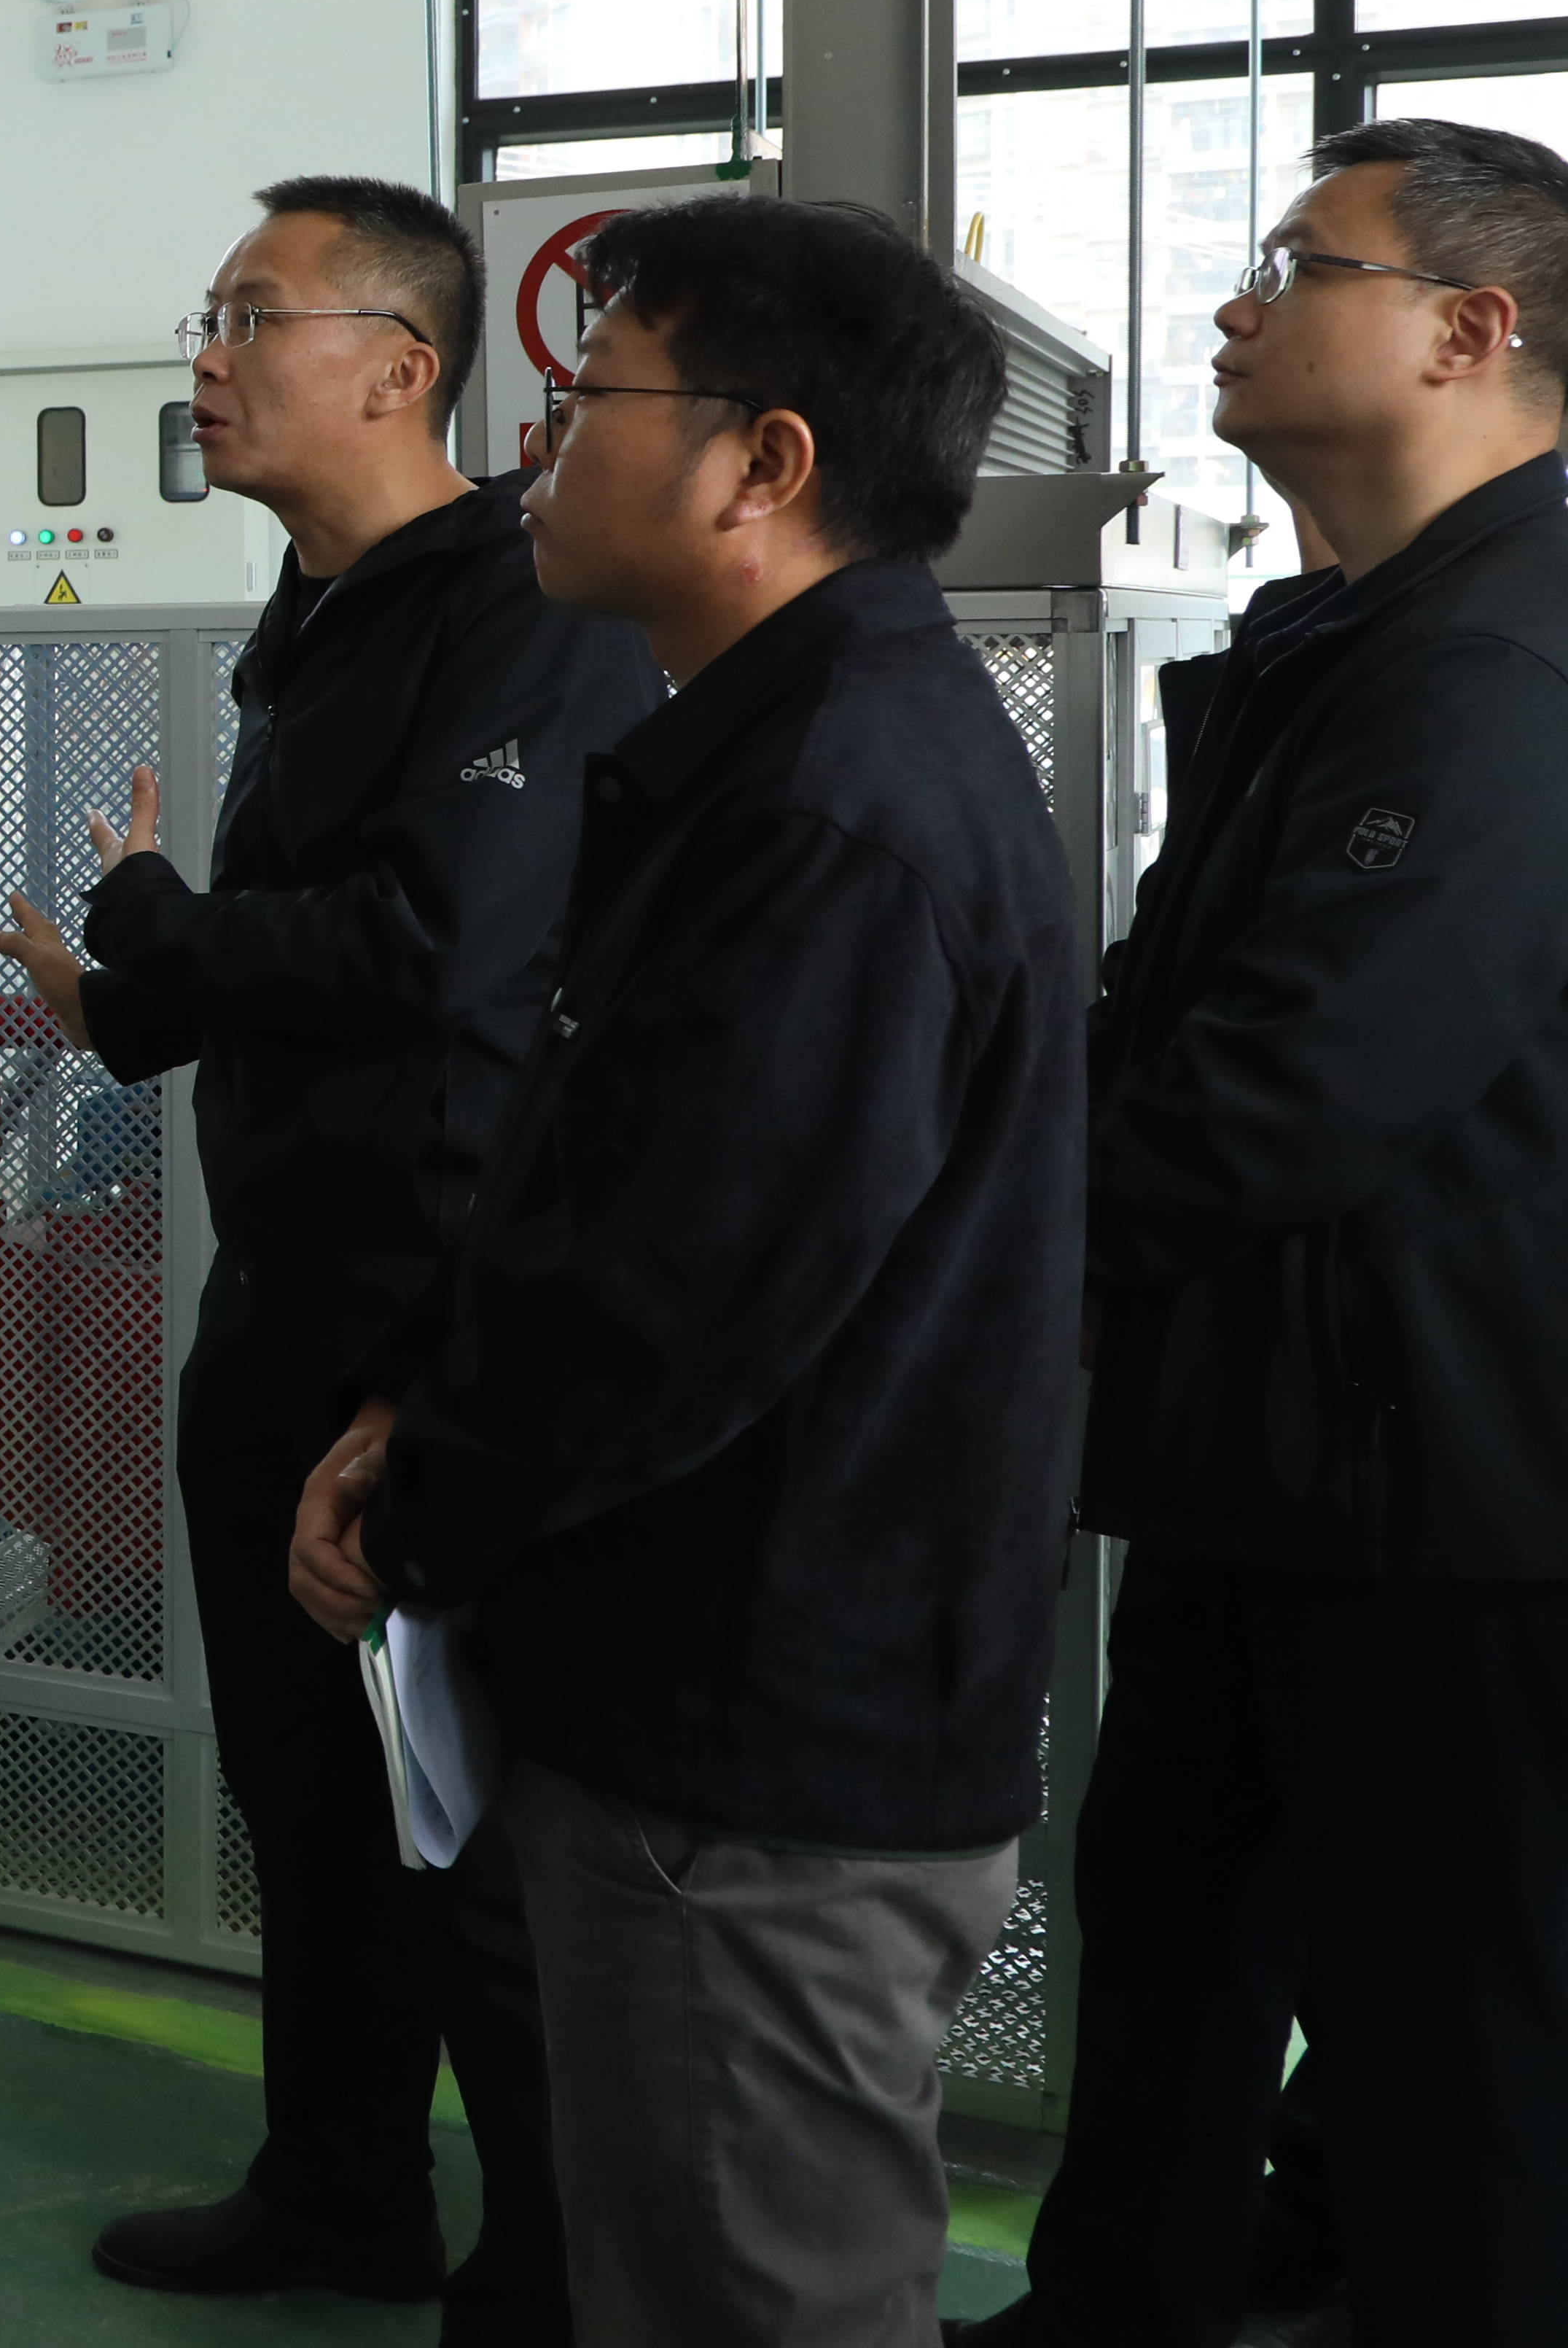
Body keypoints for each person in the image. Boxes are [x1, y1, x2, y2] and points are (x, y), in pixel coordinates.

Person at [289, 192, 1078, 2348]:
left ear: (763, 464)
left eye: (594, 398)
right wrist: (415, 1404)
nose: (538, 443)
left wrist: (425, 1507)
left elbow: (680, 1296)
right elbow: (610, 1182)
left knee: (751, 2292)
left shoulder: (831, 807)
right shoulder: (764, 751)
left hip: (762, 1746)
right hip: (711, 1690)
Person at [0, 178, 653, 2344]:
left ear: (399, 365)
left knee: (462, 1832)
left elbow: (444, 945)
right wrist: (130, 999)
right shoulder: (315, 609)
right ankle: (342, 2187)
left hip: (423, 1328)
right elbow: (305, 961)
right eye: (212, 313)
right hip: (275, 1303)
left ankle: (551, 2278)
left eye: (253, 316)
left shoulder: (521, 604)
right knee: (307, 1791)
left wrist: (164, 924)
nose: (207, 356)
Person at [958, 117, 1568, 2345]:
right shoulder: (1348, 633)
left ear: (1470, 330)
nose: (1236, 306)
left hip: (1443, 1487)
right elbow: (1170, 1016)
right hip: (1276, 1449)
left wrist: (988, 1263)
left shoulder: (1502, 660)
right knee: (1177, 1929)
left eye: (1300, 268)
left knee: (1451, 2042)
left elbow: (1303, 1083)